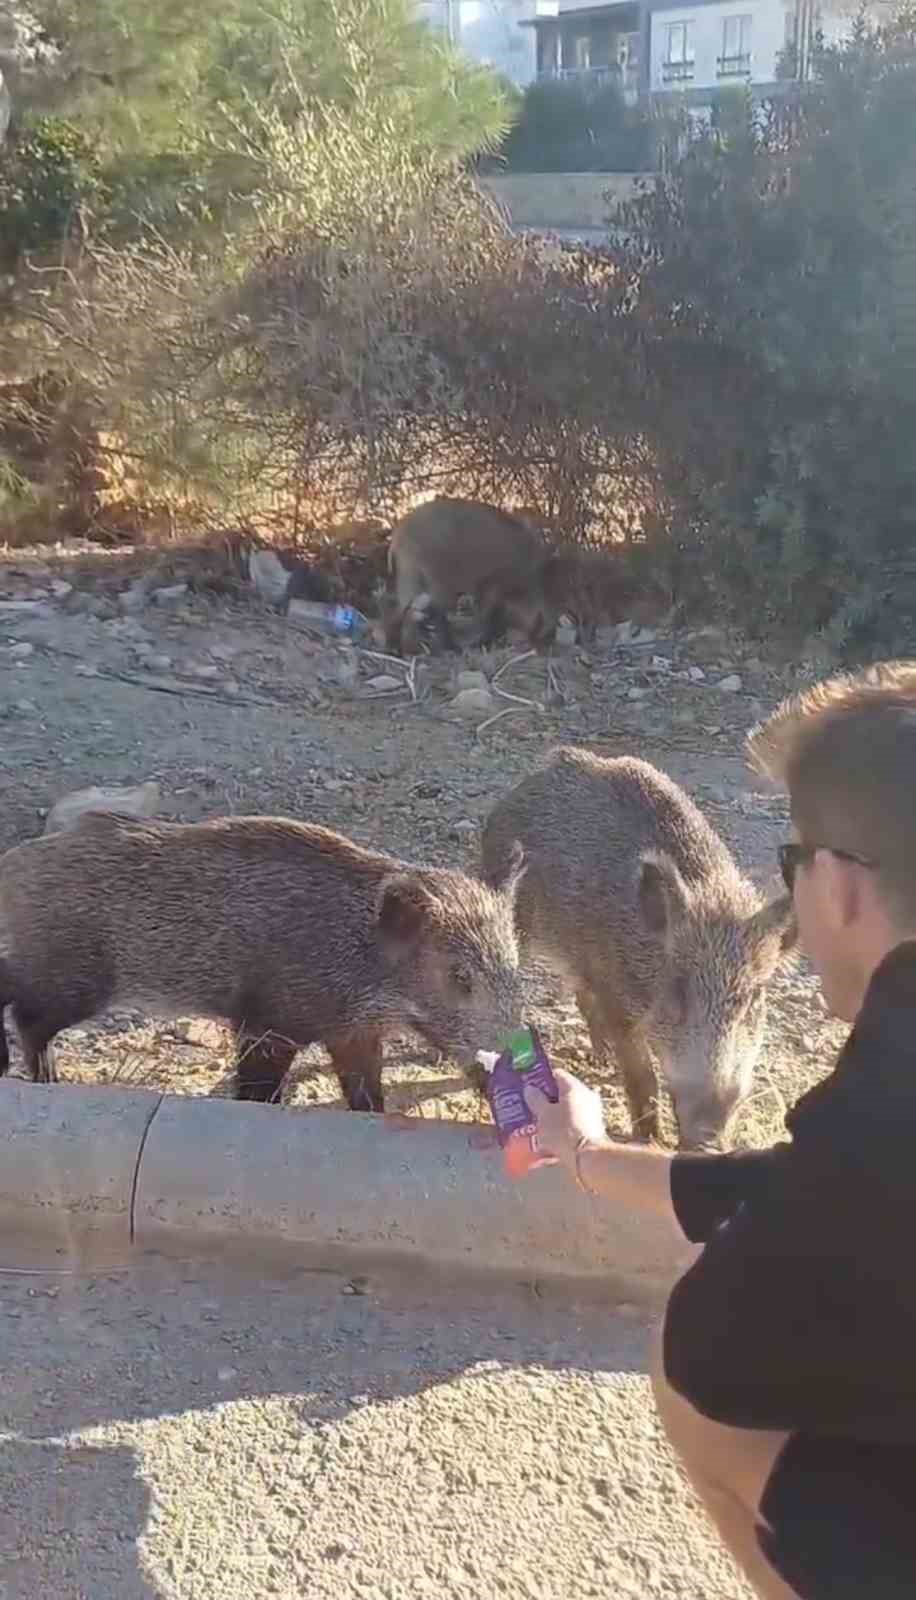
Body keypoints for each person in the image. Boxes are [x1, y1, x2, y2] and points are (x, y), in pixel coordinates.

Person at [526, 661, 916, 1599]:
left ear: (838, 886)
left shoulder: (889, 1088)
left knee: (698, 1391)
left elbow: (715, 1354)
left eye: (791, 866)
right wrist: (587, 1156)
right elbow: (803, 1184)